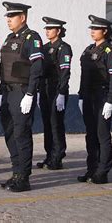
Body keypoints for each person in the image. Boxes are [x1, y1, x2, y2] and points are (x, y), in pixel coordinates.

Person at [0, 2, 43, 192]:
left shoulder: (32, 38)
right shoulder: (9, 38)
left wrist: (30, 94)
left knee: (21, 135)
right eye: (7, 16)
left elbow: (37, 68)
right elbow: (3, 68)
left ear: (22, 18)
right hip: (7, 92)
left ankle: (24, 178)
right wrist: (1, 92)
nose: (8, 19)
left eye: (12, 16)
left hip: (22, 92)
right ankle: (16, 173)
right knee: (10, 134)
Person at [77, 15, 112, 184]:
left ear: (105, 31)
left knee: (102, 134)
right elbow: (84, 76)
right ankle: (92, 169)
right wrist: (81, 96)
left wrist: (110, 100)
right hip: (88, 96)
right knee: (91, 135)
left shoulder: (110, 51)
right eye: (91, 29)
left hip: (102, 96)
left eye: (96, 29)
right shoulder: (88, 50)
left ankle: (102, 171)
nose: (92, 32)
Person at [36, 17, 72, 170]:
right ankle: (49, 155)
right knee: (47, 124)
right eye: (46, 29)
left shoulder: (64, 48)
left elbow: (65, 72)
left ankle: (57, 156)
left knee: (56, 123)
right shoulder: (44, 48)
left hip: (57, 89)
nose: (47, 31)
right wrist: (38, 91)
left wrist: (62, 93)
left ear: (58, 31)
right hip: (45, 90)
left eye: (50, 29)